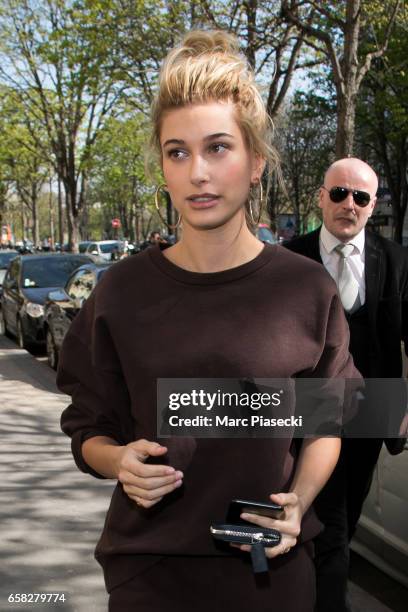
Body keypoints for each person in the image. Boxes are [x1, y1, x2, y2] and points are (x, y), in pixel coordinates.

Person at [57, 31, 357, 612]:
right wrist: (116, 460)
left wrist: (299, 500)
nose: (197, 171)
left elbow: (328, 421)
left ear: (256, 164)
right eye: (177, 152)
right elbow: (87, 424)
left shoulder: (306, 289)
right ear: (163, 168)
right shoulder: (120, 291)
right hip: (150, 576)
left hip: (270, 577)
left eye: (218, 147)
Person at [284, 157, 408, 612]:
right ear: (322, 197)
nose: (348, 204)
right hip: (306, 407)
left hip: (370, 409)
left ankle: (316, 589)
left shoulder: (396, 260)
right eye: (338, 193)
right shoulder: (288, 258)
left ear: (372, 205)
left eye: (360, 197)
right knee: (330, 521)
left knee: (343, 520)